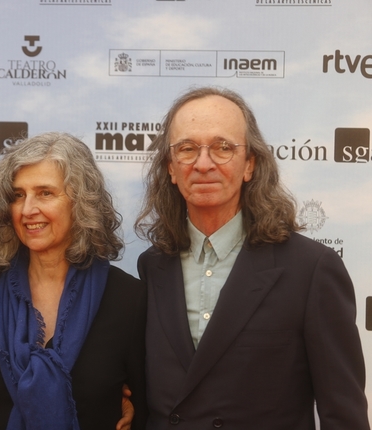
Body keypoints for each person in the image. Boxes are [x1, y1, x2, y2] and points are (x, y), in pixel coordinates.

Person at [134, 86, 369, 429]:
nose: (203, 163)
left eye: (222, 147)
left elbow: (344, 416)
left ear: (250, 165)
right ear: (171, 168)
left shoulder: (312, 270)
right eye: (187, 149)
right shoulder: (152, 266)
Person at [0, 132, 147, 430]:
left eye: (45, 193)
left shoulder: (129, 299)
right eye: (18, 195)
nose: (27, 210)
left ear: (81, 202)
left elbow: (148, 406)